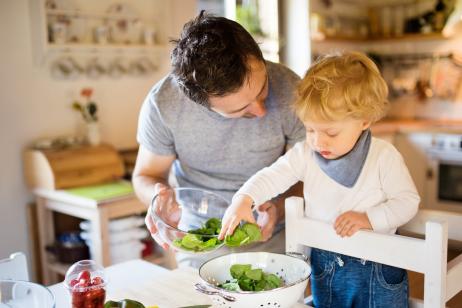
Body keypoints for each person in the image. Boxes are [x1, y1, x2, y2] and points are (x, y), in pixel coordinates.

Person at [218, 51, 420, 307]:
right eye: (310, 129)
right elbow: (272, 176)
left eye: (331, 132)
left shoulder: (384, 157)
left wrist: (369, 219)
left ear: (364, 120)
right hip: (325, 267)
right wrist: (244, 199)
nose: (318, 141)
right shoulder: (305, 154)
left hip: (376, 269)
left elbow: (407, 202)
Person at [132, 11, 305, 268]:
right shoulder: (164, 104)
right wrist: (158, 199)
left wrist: (279, 208)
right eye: (241, 110)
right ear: (200, 103)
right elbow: (146, 175)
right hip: (201, 241)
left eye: (262, 89)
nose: (261, 111)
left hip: (278, 238)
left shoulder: (291, 88)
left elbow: (310, 171)